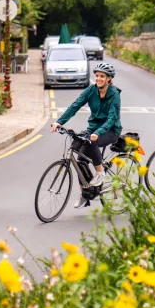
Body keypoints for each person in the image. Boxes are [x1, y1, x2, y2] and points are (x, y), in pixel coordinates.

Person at [51, 62, 122, 209]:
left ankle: (100, 172)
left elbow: (112, 118)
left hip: (111, 131)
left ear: (109, 78)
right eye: (97, 76)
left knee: (91, 142)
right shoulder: (91, 90)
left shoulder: (114, 94)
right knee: (80, 162)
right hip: (93, 130)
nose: (98, 79)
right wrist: (59, 121)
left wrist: (98, 133)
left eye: (102, 76)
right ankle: (85, 195)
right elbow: (75, 105)